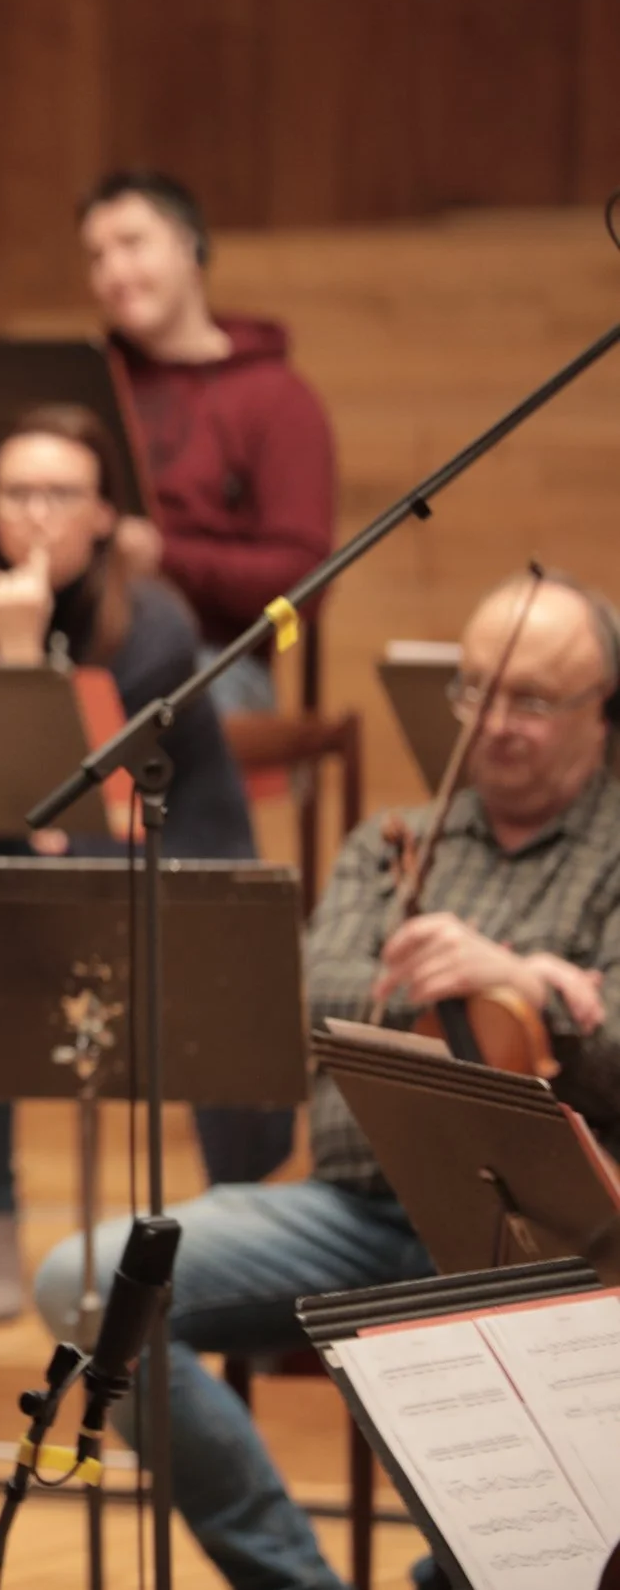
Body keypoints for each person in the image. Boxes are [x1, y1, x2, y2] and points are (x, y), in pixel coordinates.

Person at [30, 571, 620, 1589]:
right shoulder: (390, 841)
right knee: (88, 1287)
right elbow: (313, 993)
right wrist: (476, 978)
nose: (493, 722)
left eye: (530, 698)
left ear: (601, 709)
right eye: (475, 689)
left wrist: (518, 984)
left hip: (541, 1241)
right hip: (352, 1208)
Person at [0, 402, 278, 1322]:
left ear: (105, 514)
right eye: (16, 494)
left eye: (61, 494)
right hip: (31, 848)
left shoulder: (156, 625)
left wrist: (16, 654)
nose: (37, 515)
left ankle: (239, 1211)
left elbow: (79, 804)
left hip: (165, 853)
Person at [0, 171, 336, 715]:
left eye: (132, 245)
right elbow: (31, 509)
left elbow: (305, 582)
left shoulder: (278, 398)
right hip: (72, 637)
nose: (114, 273)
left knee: (91, 714)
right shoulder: (80, 383)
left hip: (212, 661)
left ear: (191, 249)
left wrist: (164, 557)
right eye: (97, 256)